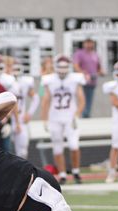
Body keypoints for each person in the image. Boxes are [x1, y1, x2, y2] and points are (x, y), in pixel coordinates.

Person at [41, 54, 85, 184]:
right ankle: (62, 174)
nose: (62, 70)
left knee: (74, 145)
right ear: (55, 67)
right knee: (57, 147)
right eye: (60, 67)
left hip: (70, 116)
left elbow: (81, 99)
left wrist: (77, 114)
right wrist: (44, 118)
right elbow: (46, 99)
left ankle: (76, 171)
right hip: (55, 117)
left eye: (65, 67)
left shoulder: (75, 79)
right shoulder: (49, 80)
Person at [73, 38, 104, 118]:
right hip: (82, 81)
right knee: (82, 99)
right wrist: (84, 74)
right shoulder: (79, 53)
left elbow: (99, 67)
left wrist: (100, 72)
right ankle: (81, 115)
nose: (89, 45)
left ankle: (86, 116)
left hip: (92, 81)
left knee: (89, 101)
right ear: (84, 44)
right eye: (87, 43)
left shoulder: (95, 54)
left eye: (91, 43)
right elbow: (76, 66)